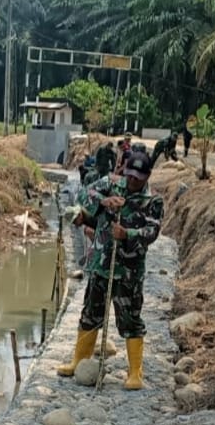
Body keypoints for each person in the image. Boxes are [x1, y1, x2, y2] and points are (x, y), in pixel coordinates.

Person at [58, 148, 163, 390]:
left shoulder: (152, 202)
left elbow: (152, 232)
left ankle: (135, 372)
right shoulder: (112, 184)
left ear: (147, 176)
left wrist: (128, 234)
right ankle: (79, 361)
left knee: (130, 319)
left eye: (138, 176)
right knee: (90, 313)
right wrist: (102, 202)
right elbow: (84, 194)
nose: (132, 180)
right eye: (129, 174)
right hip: (101, 266)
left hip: (128, 272)